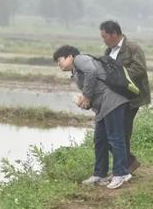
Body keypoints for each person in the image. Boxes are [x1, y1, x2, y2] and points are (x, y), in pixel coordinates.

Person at [53, 45, 132, 189]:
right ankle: (100, 174)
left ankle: (121, 173)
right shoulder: (76, 71)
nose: (59, 65)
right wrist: (85, 102)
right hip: (103, 106)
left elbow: (92, 71)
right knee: (100, 140)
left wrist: (86, 95)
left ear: (70, 56)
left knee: (115, 137)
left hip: (112, 101)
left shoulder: (80, 59)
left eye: (60, 60)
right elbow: (94, 90)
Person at [99, 20, 151, 173]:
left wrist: (119, 76)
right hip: (116, 99)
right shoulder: (108, 52)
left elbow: (140, 69)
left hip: (132, 98)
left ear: (114, 34)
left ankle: (123, 168)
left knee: (122, 133)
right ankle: (128, 163)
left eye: (104, 36)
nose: (103, 40)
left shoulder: (133, 48)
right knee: (113, 133)